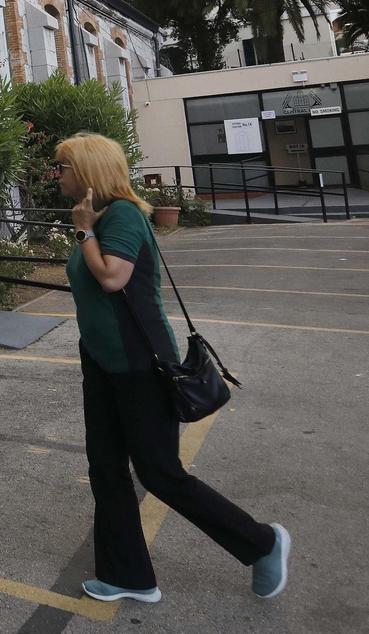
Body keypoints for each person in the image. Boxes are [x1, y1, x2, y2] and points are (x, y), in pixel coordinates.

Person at [55, 132, 290, 603]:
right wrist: (85, 228)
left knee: (160, 472)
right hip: (101, 362)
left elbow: (112, 276)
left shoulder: (120, 214)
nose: (55, 174)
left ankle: (263, 543)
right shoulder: (99, 215)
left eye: (61, 166)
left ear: (87, 170)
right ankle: (128, 576)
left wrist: (83, 231)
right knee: (105, 468)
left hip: (140, 364)